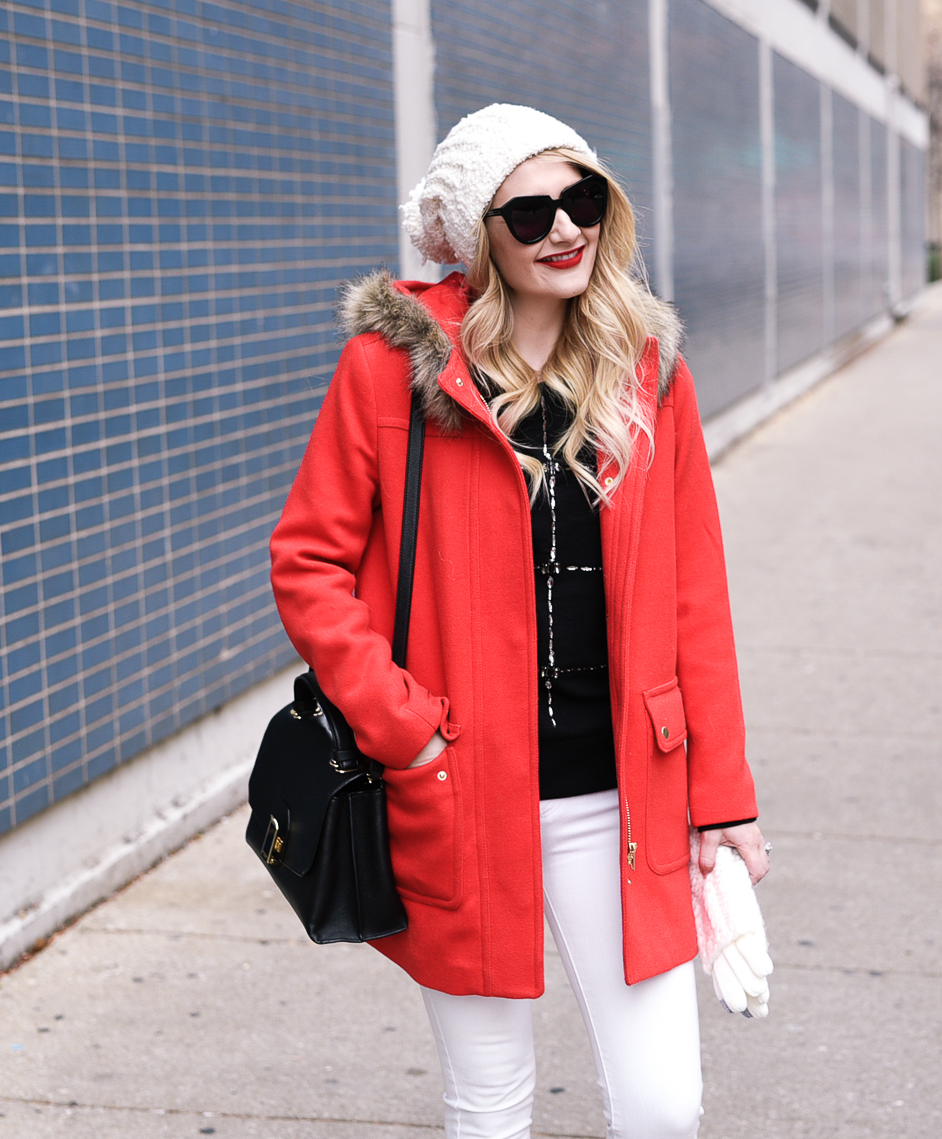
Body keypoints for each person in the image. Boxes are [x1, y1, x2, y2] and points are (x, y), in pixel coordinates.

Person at [269, 104, 768, 1139]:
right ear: (476, 236)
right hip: (459, 791)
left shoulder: (648, 371)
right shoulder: (393, 372)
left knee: (663, 1104)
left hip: (620, 792)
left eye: (580, 200)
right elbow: (309, 562)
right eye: (530, 209)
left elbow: (696, 596)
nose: (562, 228)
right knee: (489, 1104)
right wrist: (401, 721)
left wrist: (722, 794)